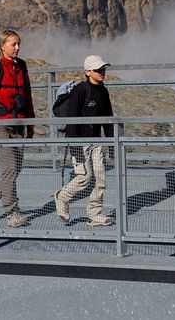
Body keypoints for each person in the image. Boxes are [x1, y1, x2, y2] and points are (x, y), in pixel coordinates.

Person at [0, 28, 35, 227]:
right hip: (0, 125)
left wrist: (30, 123)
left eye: (19, 44)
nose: (18, 48)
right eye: (14, 44)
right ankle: (13, 212)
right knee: (10, 169)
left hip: (19, 123)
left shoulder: (21, 66)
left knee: (15, 169)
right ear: (2, 46)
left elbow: (27, 95)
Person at [54, 54, 115, 227]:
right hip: (80, 142)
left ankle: (95, 213)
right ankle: (62, 198)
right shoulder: (79, 91)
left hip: (96, 142)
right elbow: (72, 121)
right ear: (88, 71)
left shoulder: (103, 90)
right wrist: (75, 148)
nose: (102, 72)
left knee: (101, 178)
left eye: (103, 69)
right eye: (98, 70)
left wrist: (112, 148)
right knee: (84, 177)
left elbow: (108, 119)